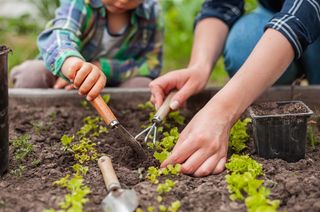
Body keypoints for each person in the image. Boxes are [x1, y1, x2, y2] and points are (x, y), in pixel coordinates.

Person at [149, 0, 320, 177]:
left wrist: (222, 110)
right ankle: (278, 72)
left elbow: (304, 11)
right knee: (243, 46)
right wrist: (199, 66)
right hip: (276, 10)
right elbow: (221, 5)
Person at [10, 0, 163, 100]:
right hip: (62, 73)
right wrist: (72, 65)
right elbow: (60, 32)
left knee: (143, 85)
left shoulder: (151, 12)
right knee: (31, 74)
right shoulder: (81, 3)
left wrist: (102, 68)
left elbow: (151, 65)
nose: (122, 1)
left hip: (113, 84)